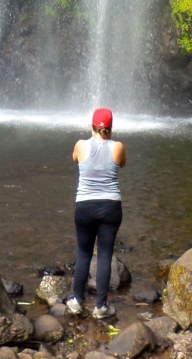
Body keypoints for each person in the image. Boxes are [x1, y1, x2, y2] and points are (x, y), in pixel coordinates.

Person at [65, 108, 126, 319]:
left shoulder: (80, 145)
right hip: (110, 207)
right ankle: (100, 306)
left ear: (92, 126)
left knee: (83, 253)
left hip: (84, 206)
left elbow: (75, 159)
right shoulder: (118, 147)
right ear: (111, 128)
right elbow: (122, 163)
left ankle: (76, 301)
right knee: (105, 255)